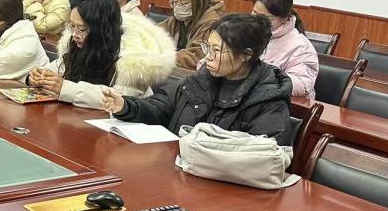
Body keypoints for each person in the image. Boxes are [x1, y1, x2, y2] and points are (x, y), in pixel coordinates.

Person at [102, 14, 293, 145]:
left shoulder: (267, 97)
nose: (207, 57)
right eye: (207, 47)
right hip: (183, 167)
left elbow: (264, 152)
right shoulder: (200, 80)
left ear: (246, 55)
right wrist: (126, 106)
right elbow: (159, 107)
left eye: (216, 51)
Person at [28, 0, 175, 109]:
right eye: (72, 26)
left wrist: (66, 89)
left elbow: (120, 100)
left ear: (102, 30)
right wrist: (39, 76)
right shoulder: (77, 43)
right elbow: (60, 67)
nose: (75, 35)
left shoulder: (134, 59)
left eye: (82, 29)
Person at [252, 0, 319, 101]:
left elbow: (303, 84)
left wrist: (262, 78)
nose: (257, 21)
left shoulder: (301, 47)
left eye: (267, 18)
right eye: (254, 13)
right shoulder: (248, 31)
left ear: (284, 18)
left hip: (282, 104)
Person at [161, 0, 225, 69]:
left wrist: (163, 58)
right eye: (175, 2)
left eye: (184, 3)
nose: (178, 7)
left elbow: (197, 54)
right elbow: (153, 33)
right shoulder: (176, 20)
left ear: (200, 2)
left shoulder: (212, 24)